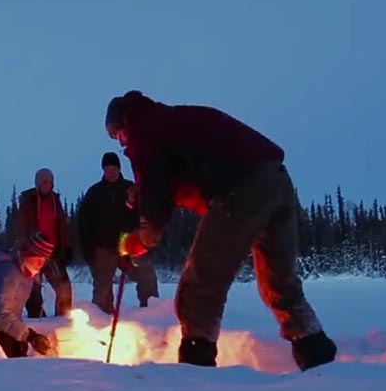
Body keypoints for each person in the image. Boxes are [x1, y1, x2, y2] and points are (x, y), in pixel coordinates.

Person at [104, 91, 337, 371]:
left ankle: (196, 368)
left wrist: (142, 236)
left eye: (119, 137)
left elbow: (155, 185)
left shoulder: (144, 131)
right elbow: (167, 179)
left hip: (238, 189)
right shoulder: (169, 121)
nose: (123, 145)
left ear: (124, 124)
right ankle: (318, 355)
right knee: (280, 284)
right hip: (276, 180)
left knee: (200, 286)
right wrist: (145, 197)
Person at [78, 151, 159, 314]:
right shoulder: (95, 192)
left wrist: (144, 242)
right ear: (103, 170)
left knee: (146, 276)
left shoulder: (131, 189)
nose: (111, 172)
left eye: (114, 169)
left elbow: (144, 214)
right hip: (103, 248)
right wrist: (88, 250)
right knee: (102, 291)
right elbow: (83, 223)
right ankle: (102, 321)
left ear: (119, 169)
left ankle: (152, 312)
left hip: (129, 244)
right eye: (108, 169)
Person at [11, 168, 74, 318]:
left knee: (64, 288)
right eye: (44, 181)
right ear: (38, 183)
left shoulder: (55, 201)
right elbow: (20, 226)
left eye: (50, 182)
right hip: (32, 254)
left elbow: (62, 226)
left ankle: (62, 319)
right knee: (33, 292)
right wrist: (23, 247)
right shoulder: (28, 201)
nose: (47, 184)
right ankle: (38, 320)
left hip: (54, 253)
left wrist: (67, 247)